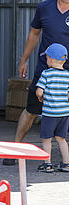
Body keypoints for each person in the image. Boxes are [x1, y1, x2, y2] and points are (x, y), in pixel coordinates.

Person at [4, 0, 69, 166]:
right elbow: (34, 34)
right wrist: (24, 59)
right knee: (32, 109)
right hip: (46, 70)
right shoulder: (44, 8)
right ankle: (16, 149)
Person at [34, 43, 69, 173]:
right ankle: (66, 164)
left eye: (47, 58)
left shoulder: (46, 74)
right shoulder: (67, 75)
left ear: (52, 59)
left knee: (47, 139)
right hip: (64, 113)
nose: (46, 60)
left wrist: (40, 97)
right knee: (61, 139)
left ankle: (47, 164)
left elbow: (39, 92)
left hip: (50, 113)